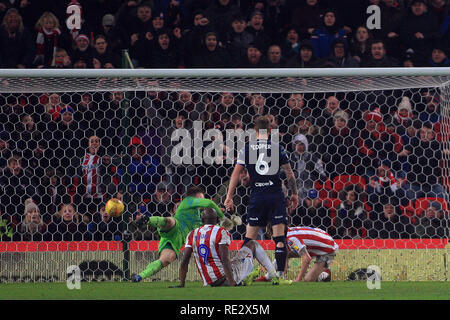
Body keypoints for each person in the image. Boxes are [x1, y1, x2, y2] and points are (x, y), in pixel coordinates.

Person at [224, 116, 299, 283]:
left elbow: (236, 174)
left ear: (254, 130)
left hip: (257, 197)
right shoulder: (278, 148)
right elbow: (290, 174)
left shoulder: (246, 149)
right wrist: (294, 194)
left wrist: (229, 197)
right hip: (275, 196)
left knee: (249, 239)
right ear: (270, 130)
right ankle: (279, 276)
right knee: (279, 239)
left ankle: (242, 275)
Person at [131, 186, 226, 282]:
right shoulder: (188, 201)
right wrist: (223, 218)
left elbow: (211, 226)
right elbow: (209, 203)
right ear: (194, 198)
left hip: (177, 241)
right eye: (201, 199)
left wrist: (219, 213)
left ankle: (139, 277)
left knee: (166, 259)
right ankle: (147, 220)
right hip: (175, 228)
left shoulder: (200, 215)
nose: (202, 201)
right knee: (170, 221)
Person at [177, 207, 290, 287]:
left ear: (202, 220)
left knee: (235, 260)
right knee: (252, 244)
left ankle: (247, 277)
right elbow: (224, 259)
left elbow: (185, 260)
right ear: (217, 220)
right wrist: (232, 284)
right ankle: (274, 276)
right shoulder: (221, 232)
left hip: (208, 282)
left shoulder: (192, 234)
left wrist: (181, 284)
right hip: (225, 279)